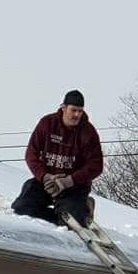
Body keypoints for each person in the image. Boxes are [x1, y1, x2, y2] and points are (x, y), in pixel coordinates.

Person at [11, 89, 103, 227]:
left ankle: (83, 209)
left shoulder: (88, 132)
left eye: (80, 111)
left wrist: (69, 181)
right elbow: (31, 154)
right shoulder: (47, 123)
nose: (77, 114)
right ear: (64, 108)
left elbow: (96, 165)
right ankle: (62, 216)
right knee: (21, 208)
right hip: (47, 184)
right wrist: (44, 177)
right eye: (73, 110)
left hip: (74, 187)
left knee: (73, 223)